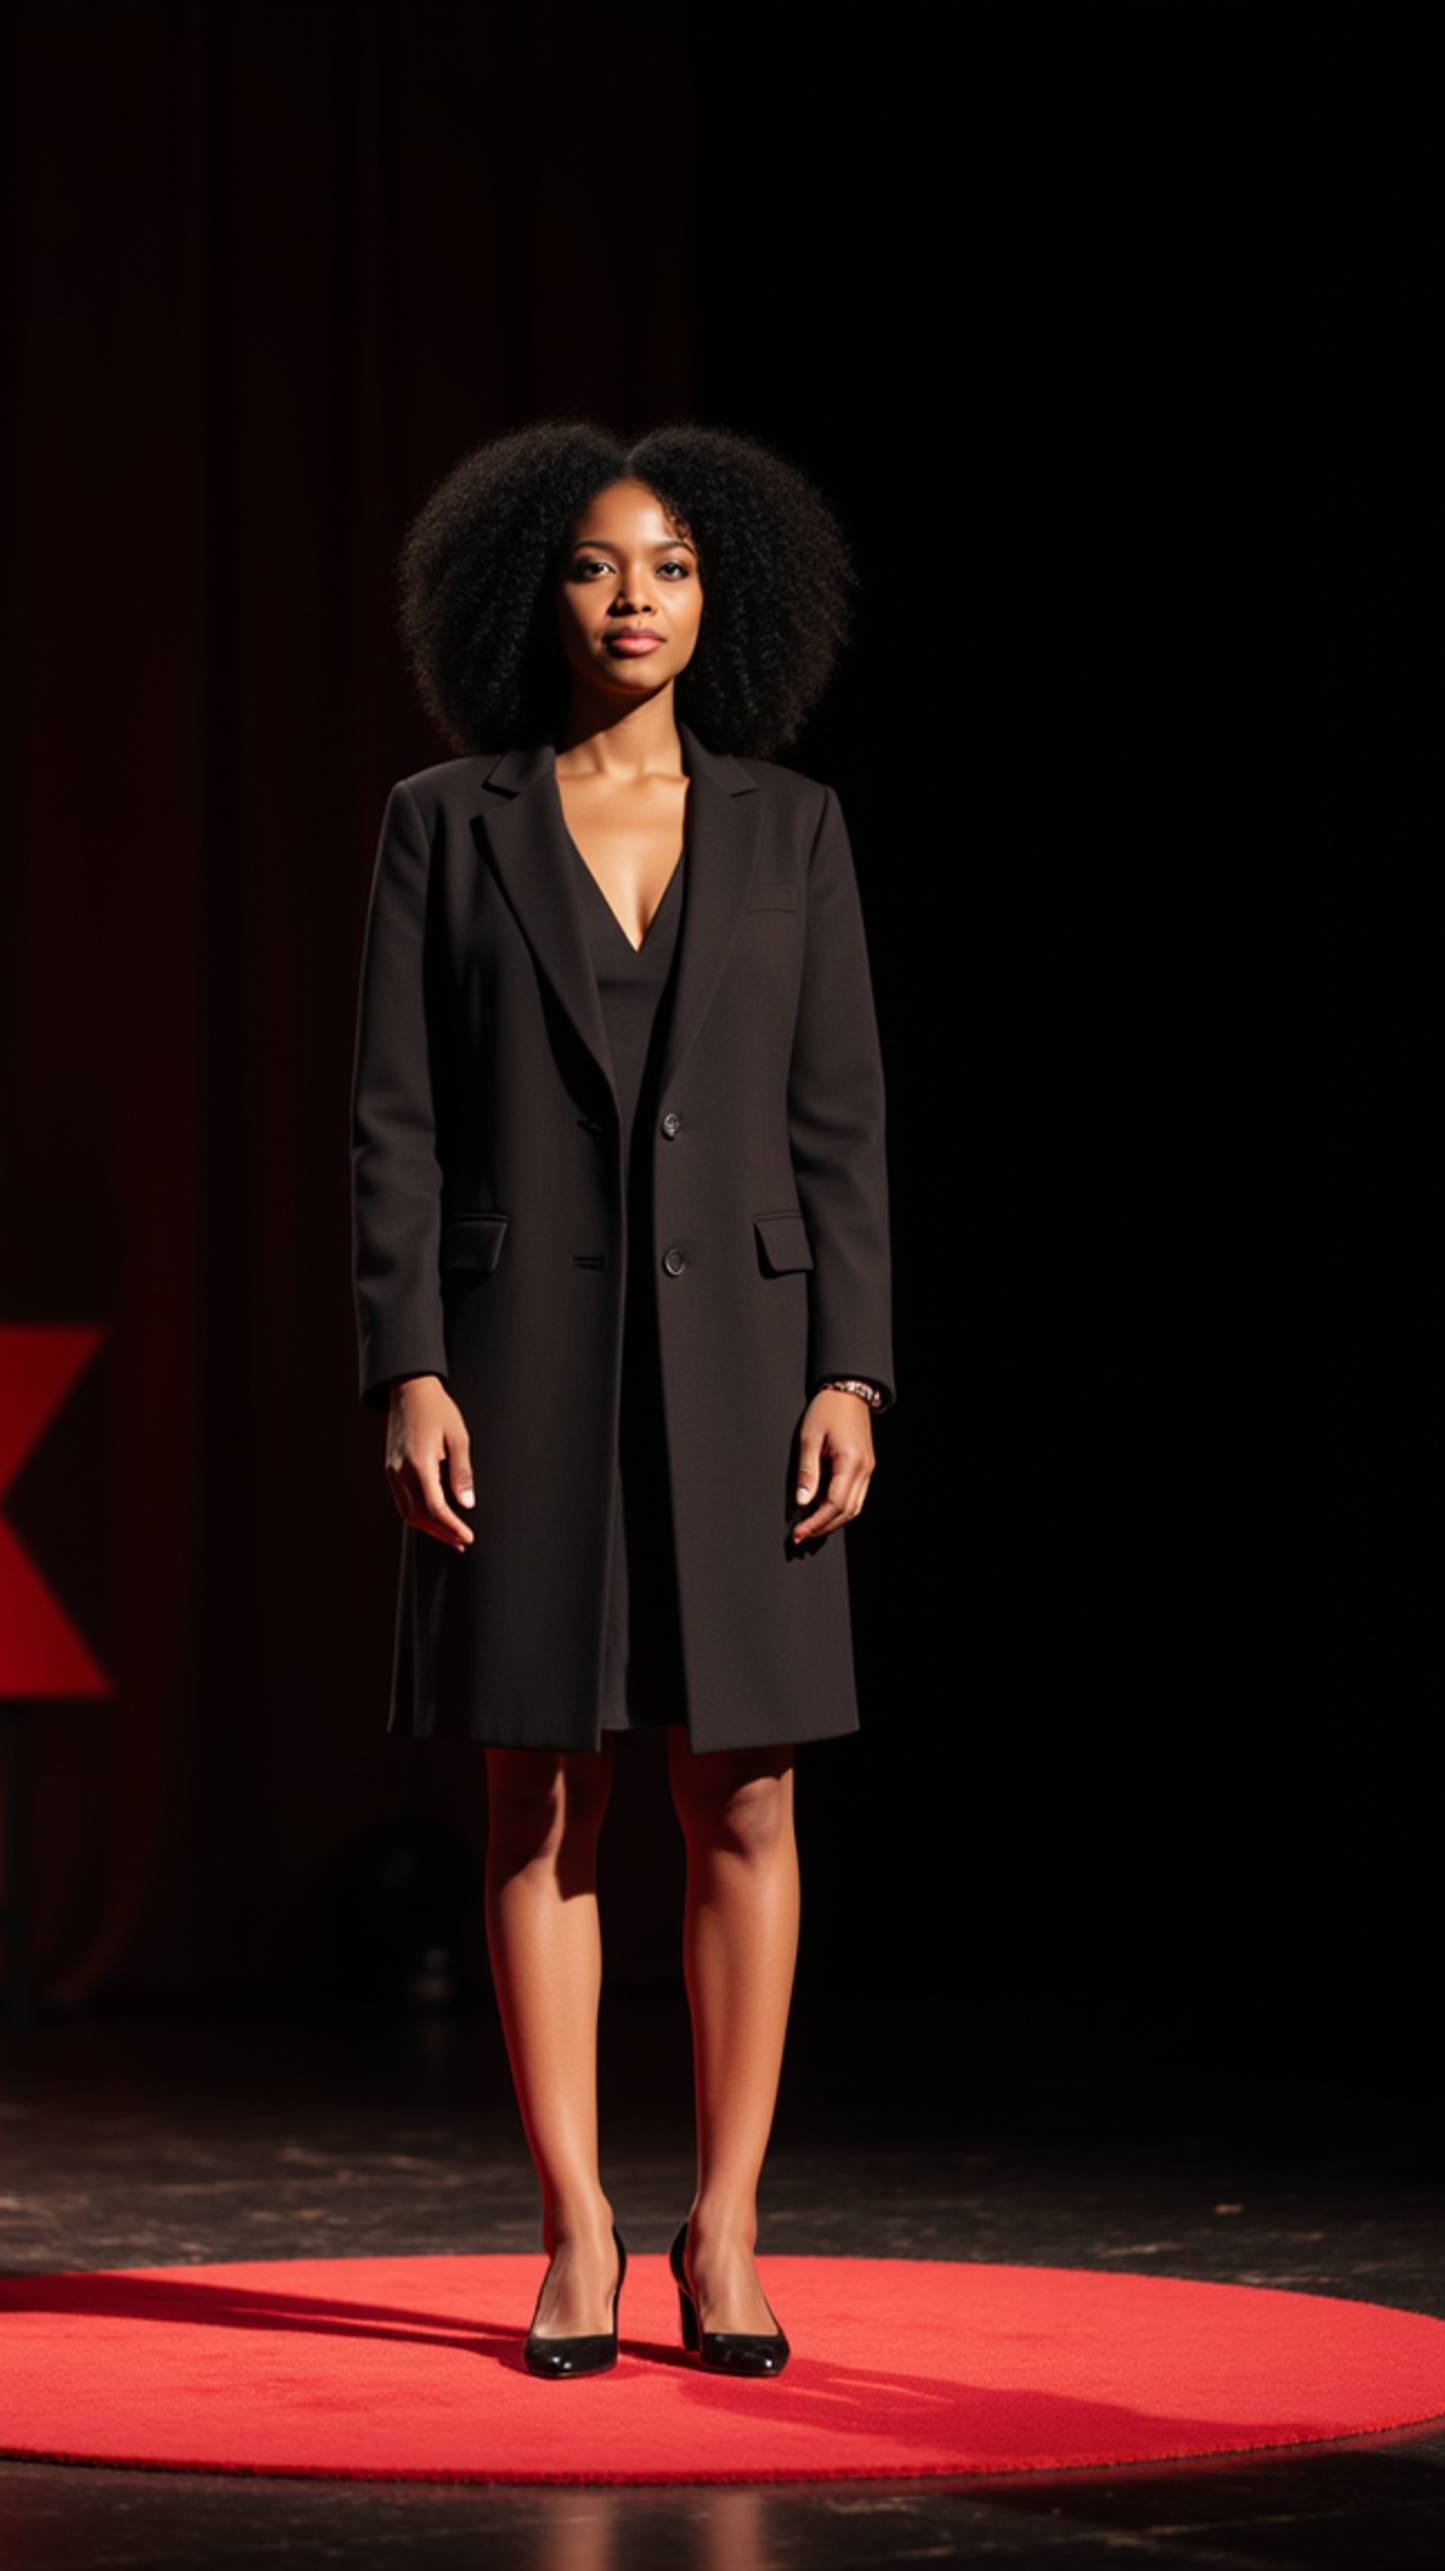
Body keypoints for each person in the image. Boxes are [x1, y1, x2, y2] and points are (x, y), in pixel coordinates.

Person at [349, 420, 895, 2379]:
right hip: (517, 1368)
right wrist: (405, 1358)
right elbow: (395, 1121)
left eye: (667, 563)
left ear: (716, 593)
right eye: (597, 563)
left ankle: (726, 2221)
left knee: (740, 1785)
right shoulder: (443, 821)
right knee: (537, 1783)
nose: (636, 594)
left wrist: (854, 1361)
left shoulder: (794, 828)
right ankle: (577, 2226)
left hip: (750, 1369)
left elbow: (841, 1123)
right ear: (536, 591)